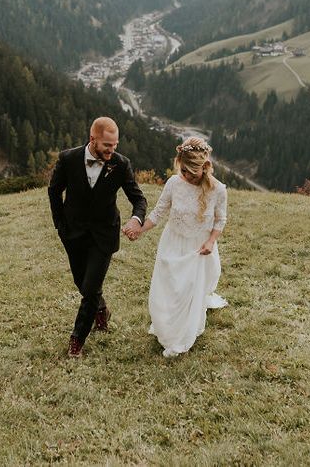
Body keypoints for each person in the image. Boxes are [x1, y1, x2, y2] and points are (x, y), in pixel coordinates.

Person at [48, 116, 147, 358]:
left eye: (115, 145)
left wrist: (136, 219)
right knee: (83, 285)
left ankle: (77, 340)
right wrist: (60, 224)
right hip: (73, 233)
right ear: (93, 140)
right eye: (107, 146)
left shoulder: (121, 165)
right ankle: (101, 310)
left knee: (90, 288)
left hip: (104, 235)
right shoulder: (68, 158)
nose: (112, 150)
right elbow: (54, 190)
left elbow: (138, 198)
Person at [125, 136, 227, 357]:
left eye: (192, 172)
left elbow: (220, 220)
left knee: (189, 292)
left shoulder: (218, 190)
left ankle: (182, 335)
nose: (187, 176)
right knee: (169, 289)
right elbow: (158, 213)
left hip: (199, 248)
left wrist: (210, 242)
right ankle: (166, 326)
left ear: (204, 167)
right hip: (172, 242)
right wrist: (138, 229)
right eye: (183, 171)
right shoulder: (173, 183)